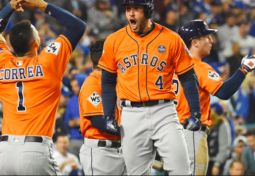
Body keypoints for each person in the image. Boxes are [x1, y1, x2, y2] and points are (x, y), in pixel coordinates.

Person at [99, 0, 202, 175]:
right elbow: (108, 81)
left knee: (182, 170)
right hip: (130, 115)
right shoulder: (114, 40)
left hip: (165, 112)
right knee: (136, 173)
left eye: (136, 8)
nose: (131, 13)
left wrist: (195, 111)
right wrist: (108, 114)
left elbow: (188, 77)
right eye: (128, 9)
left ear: (148, 11)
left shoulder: (171, 38)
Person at [0, 0, 86, 175]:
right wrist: (42, 5)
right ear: (36, 43)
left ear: (11, 45)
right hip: (34, 149)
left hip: (4, 152)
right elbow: (77, 26)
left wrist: (10, 7)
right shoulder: (48, 61)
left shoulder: (1, 63)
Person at [170, 20, 255, 175]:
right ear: (194, 42)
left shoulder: (170, 67)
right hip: (192, 133)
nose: (211, 40)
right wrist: (244, 69)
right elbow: (223, 92)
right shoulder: (199, 67)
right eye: (206, 37)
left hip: (171, 134)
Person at [79, 39, 126, 175]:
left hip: (121, 149)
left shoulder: (114, 83)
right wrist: (130, 135)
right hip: (101, 153)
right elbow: (99, 121)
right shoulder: (92, 84)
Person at [207, 103, 232, 176]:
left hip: (217, 162)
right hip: (207, 161)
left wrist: (217, 164)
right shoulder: (208, 124)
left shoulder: (223, 124)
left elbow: (224, 147)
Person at [64, 78, 83, 155]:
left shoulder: (90, 97)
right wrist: (76, 122)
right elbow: (67, 122)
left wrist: (81, 121)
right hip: (74, 139)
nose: (73, 89)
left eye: (76, 86)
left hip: (89, 139)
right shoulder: (71, 101)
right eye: (72, 86)